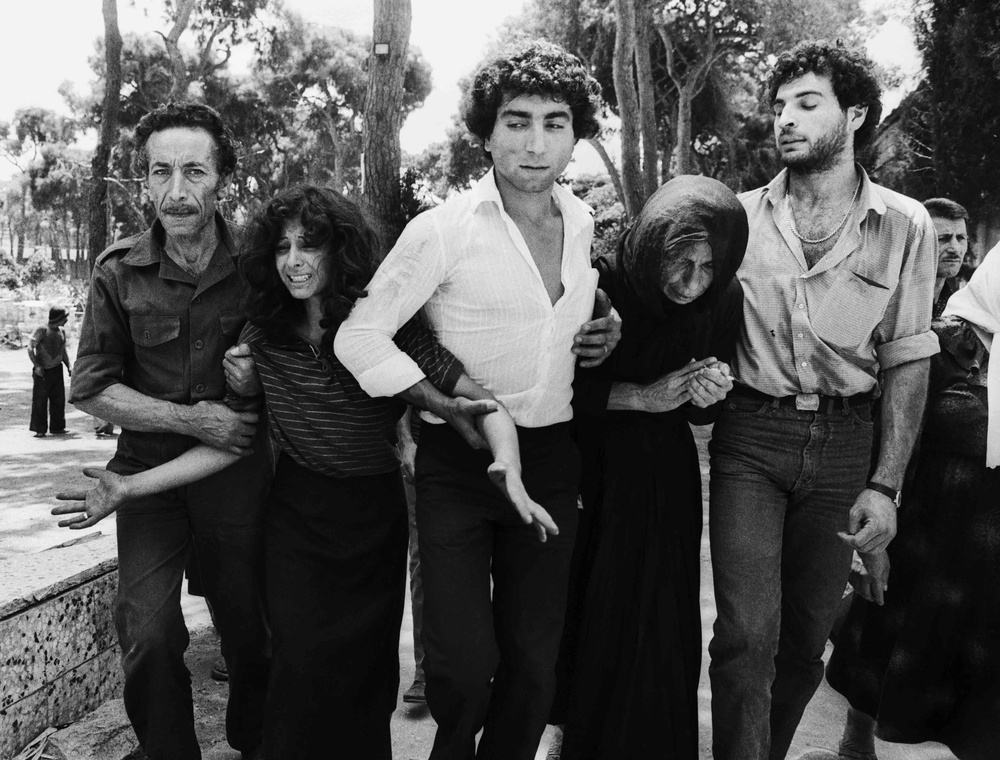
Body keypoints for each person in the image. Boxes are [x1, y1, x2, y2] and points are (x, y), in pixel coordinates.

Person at [56, 184, 554, 759]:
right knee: (297, 666)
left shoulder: (386, 325)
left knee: (366, 672)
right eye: (282, 246)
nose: (294, 261)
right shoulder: (263, 337)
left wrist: (508, 464)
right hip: (297, 517)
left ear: (339, 250)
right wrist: (128, 486)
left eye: (310, 246)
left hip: (373, 515)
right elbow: (232, 441)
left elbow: (474, 398)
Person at [335, 40, 620, 760]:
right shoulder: (441, 230)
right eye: (516, 121)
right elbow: (360, 336)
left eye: (555, 123)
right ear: (486, 132)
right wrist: (437, 398)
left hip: (552, 457)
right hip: (457, 460)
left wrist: (604, 325)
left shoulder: (585, 226)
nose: (534, 142)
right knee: (460, 663)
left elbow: (566, 317)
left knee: (533, 662)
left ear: (576, 133)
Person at [707, 41, 940, 760]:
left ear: (856, 115)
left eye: (807, 104)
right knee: (747, 634)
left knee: (808, 639)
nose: (784, 118)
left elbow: (907, 357)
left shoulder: (905, 224)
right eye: (779, 106)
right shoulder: (735, 218)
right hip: (750, 435)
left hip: (846, 446)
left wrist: (886, 484)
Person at [68, 102, 271, 760]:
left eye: (195, 171)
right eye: (161, 172)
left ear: (224, 179)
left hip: (239, 477)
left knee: (252, 634)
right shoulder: (117, 271)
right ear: (144, 182)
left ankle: (251, 736)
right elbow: (93, 387)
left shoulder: (264, 268)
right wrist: (185, 417)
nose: (177, 192)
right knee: (148, 635)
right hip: (145, 480)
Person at [549, 175, 748, 760]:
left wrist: (710, 393)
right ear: (654, 243)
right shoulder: (598, 284)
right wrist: (640, 397)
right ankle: (566, 738)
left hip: (666, 477)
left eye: (709, 266)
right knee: (588, 608)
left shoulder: (724, 299)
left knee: (661, 615)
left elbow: (706, 409)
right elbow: (551, 391)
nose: (692, 283)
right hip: (589, 468)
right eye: (680, 262)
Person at [805, 246, 1000, 760]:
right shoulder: (943, 345)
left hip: (992, 553)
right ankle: (853, 747)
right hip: (924, 537)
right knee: (882, 641)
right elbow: (894, 438)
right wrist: (870, 538)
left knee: (982, 670)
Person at [28, 306, 72, 437]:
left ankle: (57, 427)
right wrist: (37, 365)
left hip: (57, 369)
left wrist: (68, 365)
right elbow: (30, 348)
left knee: (58, 399)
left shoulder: (61, 331)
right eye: (65, 318)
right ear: (58, 318)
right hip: (43, 370)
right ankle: (39, 429)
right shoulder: (41, 330)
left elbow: (62, 350)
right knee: (40, 400)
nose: (66, 321)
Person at [923, 197, 970, 318]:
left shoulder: (959, 307)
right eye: (943, 238)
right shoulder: (894, 303)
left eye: (961, 238)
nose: (955, 248)